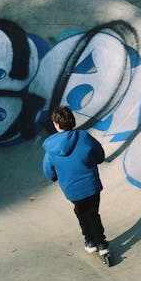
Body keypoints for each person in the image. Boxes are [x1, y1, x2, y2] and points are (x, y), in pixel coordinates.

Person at [42, 105, 109, 258]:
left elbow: (48, 170)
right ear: (72, 121)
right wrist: (96, 159)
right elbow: (99, 154)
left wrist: (54, 176)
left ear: (56, 124)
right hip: (91, 185)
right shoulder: (84, 137)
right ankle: (101, 243)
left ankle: (91, 241)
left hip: (72, 189)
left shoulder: (51, 148)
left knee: (81, 213)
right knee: (93, 213)